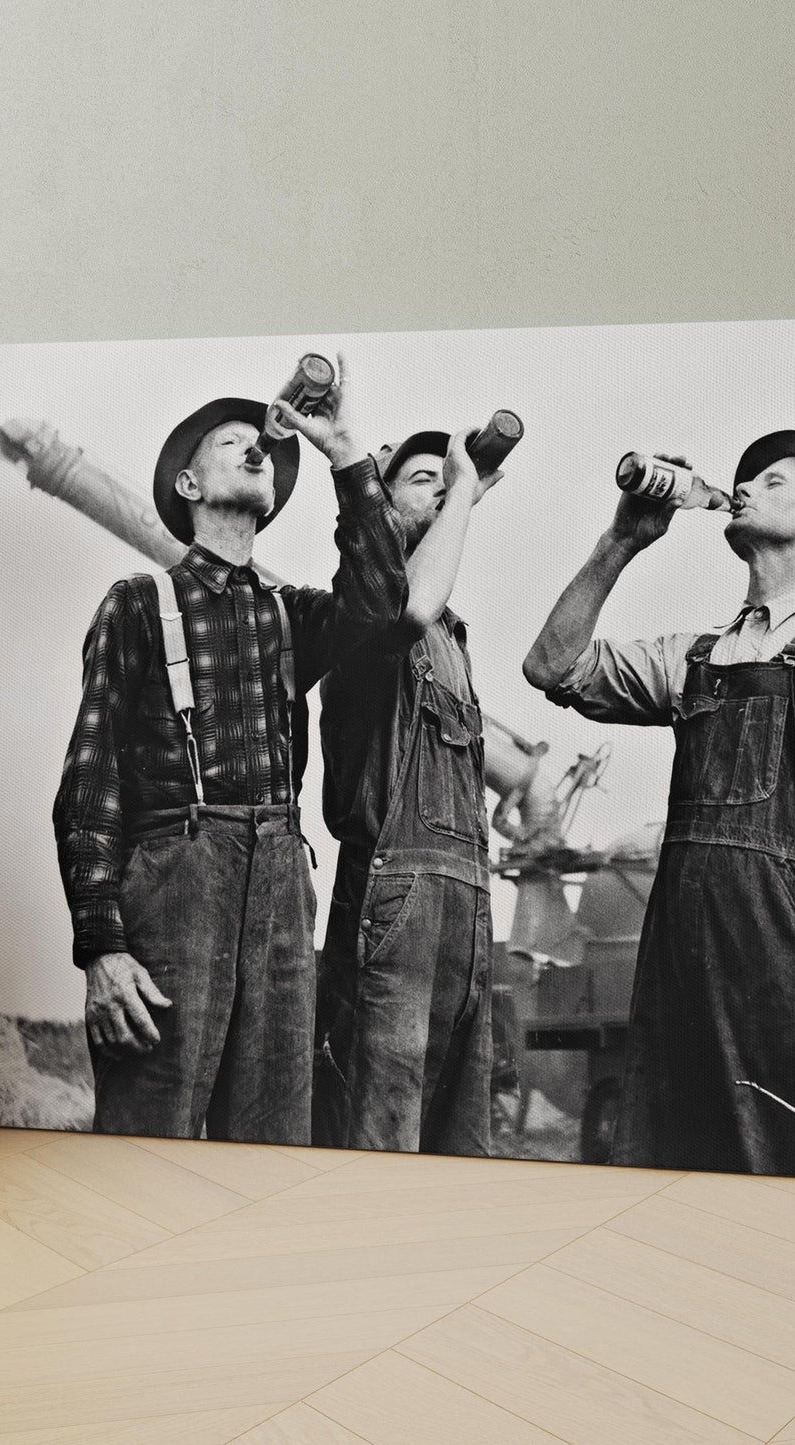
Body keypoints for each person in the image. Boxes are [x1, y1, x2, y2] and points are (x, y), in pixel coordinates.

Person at [522, 431, 795, 1178]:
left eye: (772, 479)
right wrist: (622, 539)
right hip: (680, 990)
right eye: (744, 479)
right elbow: (552, 665)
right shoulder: (692, 657)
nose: (744, 487)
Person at [52, 357, 406, 1144]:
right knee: (153, 1130)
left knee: (272, 1144)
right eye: (231, 442)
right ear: (186, 484)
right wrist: (102, 948)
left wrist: (343, 450)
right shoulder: (141, 603)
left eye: (266, 449)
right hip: (175, 884)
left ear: (277, 495)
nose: (256, 451)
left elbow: (382, 603)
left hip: (282, 887)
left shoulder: (293, 616)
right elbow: (91, 776)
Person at [312, 427, 502, 1155]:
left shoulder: (453, 644)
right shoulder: (366, 619)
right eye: (420, 478)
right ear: (383, 510)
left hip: (463, 923)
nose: (442, 485)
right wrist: (464, 492)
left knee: (459, 1147)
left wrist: (456, 495)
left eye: (443, 477)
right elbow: (405, 604)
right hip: (390, 914)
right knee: (377, 1139)